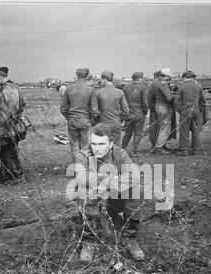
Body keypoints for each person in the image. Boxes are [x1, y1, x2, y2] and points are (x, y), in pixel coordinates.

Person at [73, 123, 145, 263]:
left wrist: (111, 183)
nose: (97, 148)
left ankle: (129, 237)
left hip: (113, 198)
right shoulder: (82, 155)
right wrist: (111, 178)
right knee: (85, 190)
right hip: (93, 200)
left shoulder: (119, 154)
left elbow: (134, 176)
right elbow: (82, 178)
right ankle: (89, 241)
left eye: (101, 144)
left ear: (111, 144)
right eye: (94, 144)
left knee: (136, 189)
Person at [0, 66, 27, 183]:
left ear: (0, 77)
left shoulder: (8, 89)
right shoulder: (14, 87)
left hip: (8, 126)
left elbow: (9, 112)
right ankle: (13, 174)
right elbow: (23, 105)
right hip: (11, 124)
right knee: (10, 150)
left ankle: (15, 176)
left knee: (8, 151)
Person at [60, 68, 94, 165]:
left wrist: (68, 117)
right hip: (85, 120)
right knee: (85, 145)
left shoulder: (69, 88)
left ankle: (78, 167)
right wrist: (91, 119)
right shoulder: (90, 90)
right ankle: (85, 167)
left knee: (74, 146)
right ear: (86, 76)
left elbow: (63, 108)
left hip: (72, 120)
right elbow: (94, 109)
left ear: (77, 75)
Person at [90, 70, 129, 146]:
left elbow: (95, 111)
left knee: (104, 145)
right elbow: (126, 111)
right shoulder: (120, 92)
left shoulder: (98, 92)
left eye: (101, 80)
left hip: (104, 122)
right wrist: (120, 120)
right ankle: (115, 157)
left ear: (104, 80)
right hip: (116, 123)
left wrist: (97, 121)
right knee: (116, 145)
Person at [175, 70, 206, 156]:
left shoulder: (182, 86)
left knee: (184, 131)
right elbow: (203, 100)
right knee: (196, 131)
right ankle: (196, 150)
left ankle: (184, 150)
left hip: (185, 110)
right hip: (196, 110)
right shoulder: (198, 86)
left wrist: (180, 110)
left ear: (185, 78)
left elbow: (176, 101)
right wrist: (200, 109)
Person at [121, 72, 148, 157]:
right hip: (139, 113)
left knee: (127, 133)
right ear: (140, 78)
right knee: (138, 133)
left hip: (129, 113)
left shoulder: (126, 87)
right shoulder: (142, 87)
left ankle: (123, 149)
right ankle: (134, 151)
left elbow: (123, 102)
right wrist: (145, 112)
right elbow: (144, 103)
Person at [151, 67, 175, 154]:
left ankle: (159, 145)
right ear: (166, 76)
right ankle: (159, 147)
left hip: (158, 106)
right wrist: (174, 95)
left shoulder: (156, 83)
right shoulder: (163, 84)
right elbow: (169, 98)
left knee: (162, 127)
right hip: (164, 107)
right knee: (165, 128)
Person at [147, 71, 161, 149]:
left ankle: (160, 144)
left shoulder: (157, 85)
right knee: (154, 128)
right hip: (155, 111)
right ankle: (154, 145)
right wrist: (155, 109)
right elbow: (149, 101)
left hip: (157, 110)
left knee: (159, 128)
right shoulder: (153, 86)